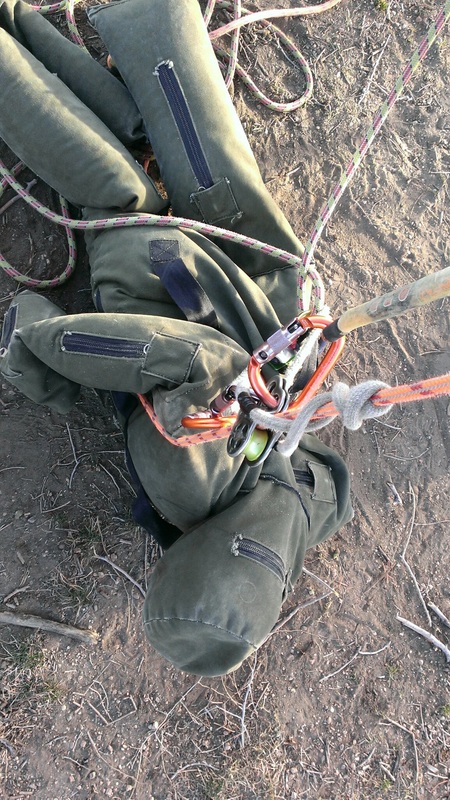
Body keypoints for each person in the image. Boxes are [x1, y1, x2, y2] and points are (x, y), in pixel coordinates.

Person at [0, 0, 352, 676]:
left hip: (261, 290)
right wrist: (40, 345)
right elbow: (161, 354)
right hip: (168, 275)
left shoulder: (313, 508)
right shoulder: (185, 484)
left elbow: (311, 467)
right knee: (111, 181)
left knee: (211, 169)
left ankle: (150, 24)